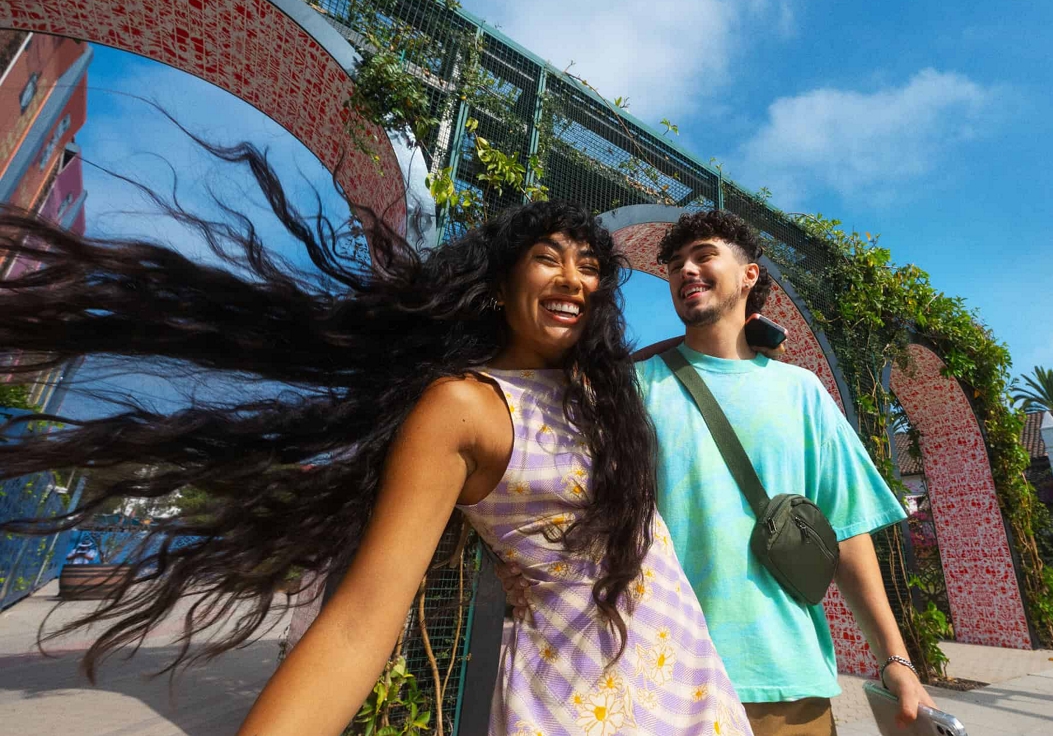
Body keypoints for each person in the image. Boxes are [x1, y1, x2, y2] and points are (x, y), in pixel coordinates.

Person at [0, 140, 752, 735]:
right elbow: (361, 621)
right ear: (498, 285)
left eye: (590, 267)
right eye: (547, 258)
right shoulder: (465, 407)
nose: (574, 279)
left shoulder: (603, 397)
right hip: (577, 710)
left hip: (696, 694)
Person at [503, 210, 938, 735]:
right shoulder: (631, 390)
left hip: (786, 682)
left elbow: (846, 534)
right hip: (660, 676)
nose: (686, 270)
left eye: (704, 255)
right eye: (675, 264)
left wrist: (896, 660)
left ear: (748, 275)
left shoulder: (802, 393)